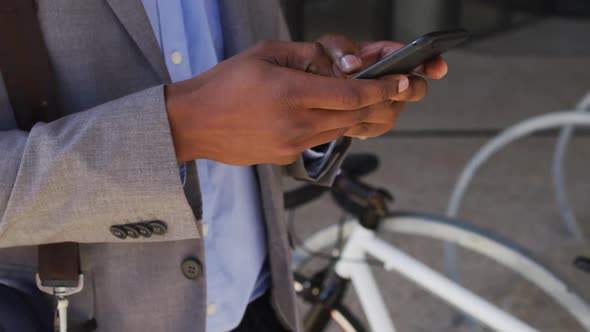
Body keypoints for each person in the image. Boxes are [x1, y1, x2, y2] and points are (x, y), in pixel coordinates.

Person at [0, 0, 447, 331]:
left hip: (261, 303)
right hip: (89, 315)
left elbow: (255, 88)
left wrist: (326, 105)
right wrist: (176, 130)